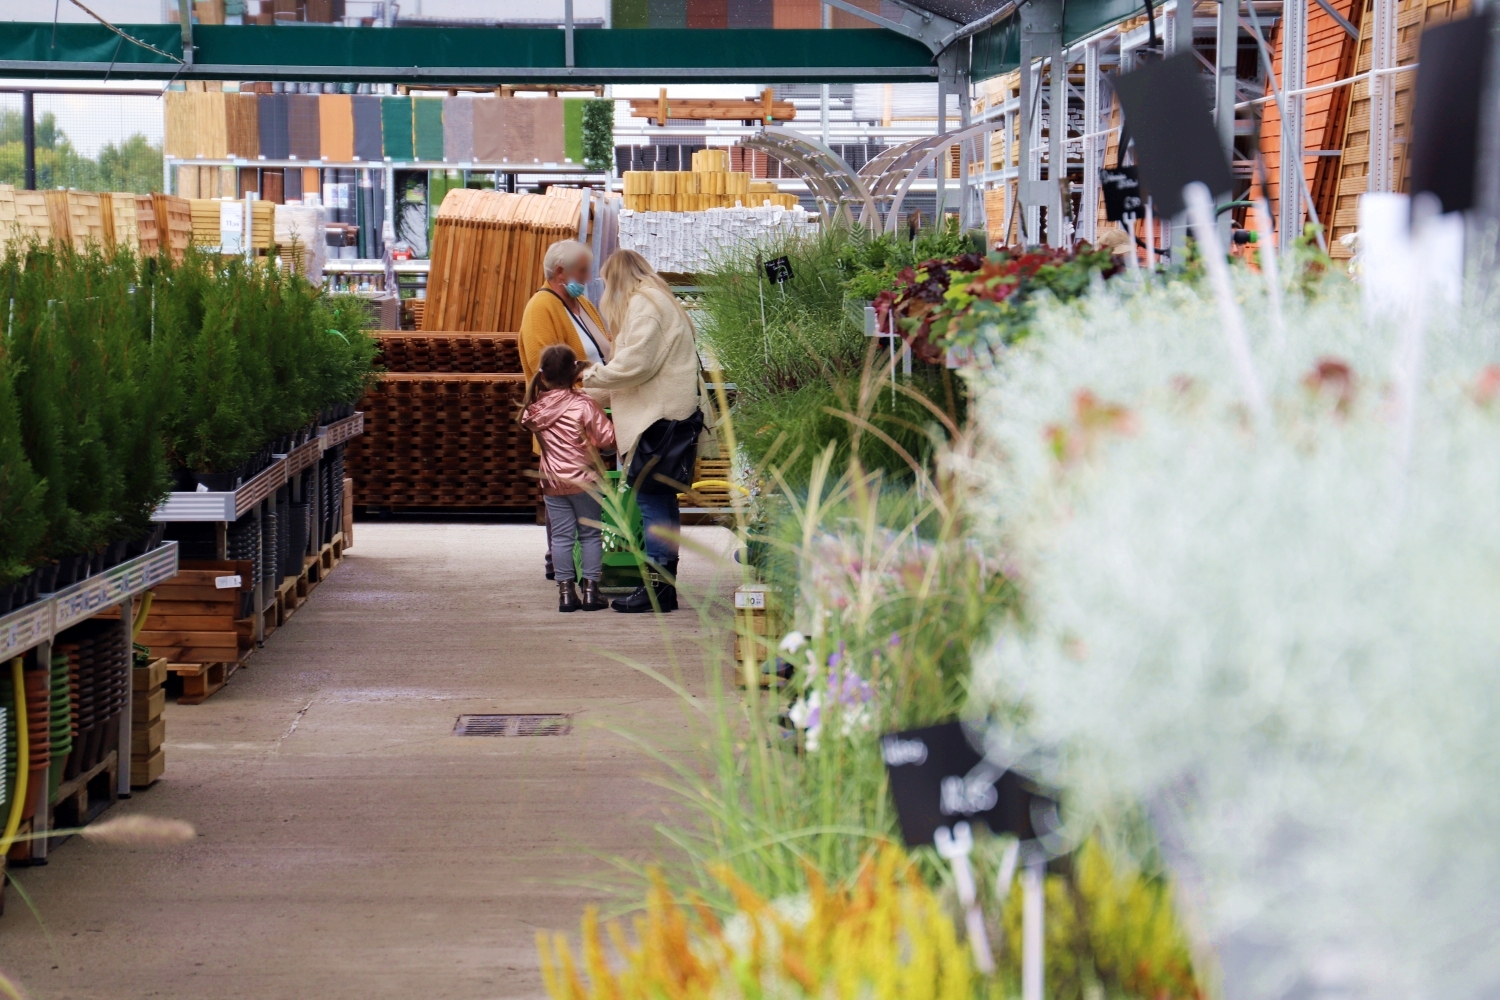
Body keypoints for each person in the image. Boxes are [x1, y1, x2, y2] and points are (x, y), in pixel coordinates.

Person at [584, 249, 704, 614]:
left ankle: (657, 591)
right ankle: (662, 588)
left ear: (618, 278)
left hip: (659, 421)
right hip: (672, 416)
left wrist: (586, 377)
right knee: (662, 502)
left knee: (651, 501)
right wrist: (588, 391)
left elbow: (635, 364)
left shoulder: (644, 303)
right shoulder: (659, 299)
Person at [519, 239, 613, 581]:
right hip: (565, 422)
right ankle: (563, 569)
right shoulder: (541, 308)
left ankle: (576, 570)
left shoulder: (582, 303)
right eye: (583, 271)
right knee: (567, 507)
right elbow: (542, 364)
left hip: (589, 412)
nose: (588, 277)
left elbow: (604, 346)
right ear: (560, 272)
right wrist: (585, 399)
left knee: (577, 503)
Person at [520, 345, 616, 613]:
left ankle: (565, 593)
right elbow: (609, 440)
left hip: (552, 481)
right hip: (586, 480)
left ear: (543, 375)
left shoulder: (535, 409)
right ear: (575, 373)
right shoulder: (584, 404)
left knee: (561, 537)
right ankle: (591, 592)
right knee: (589, 535)